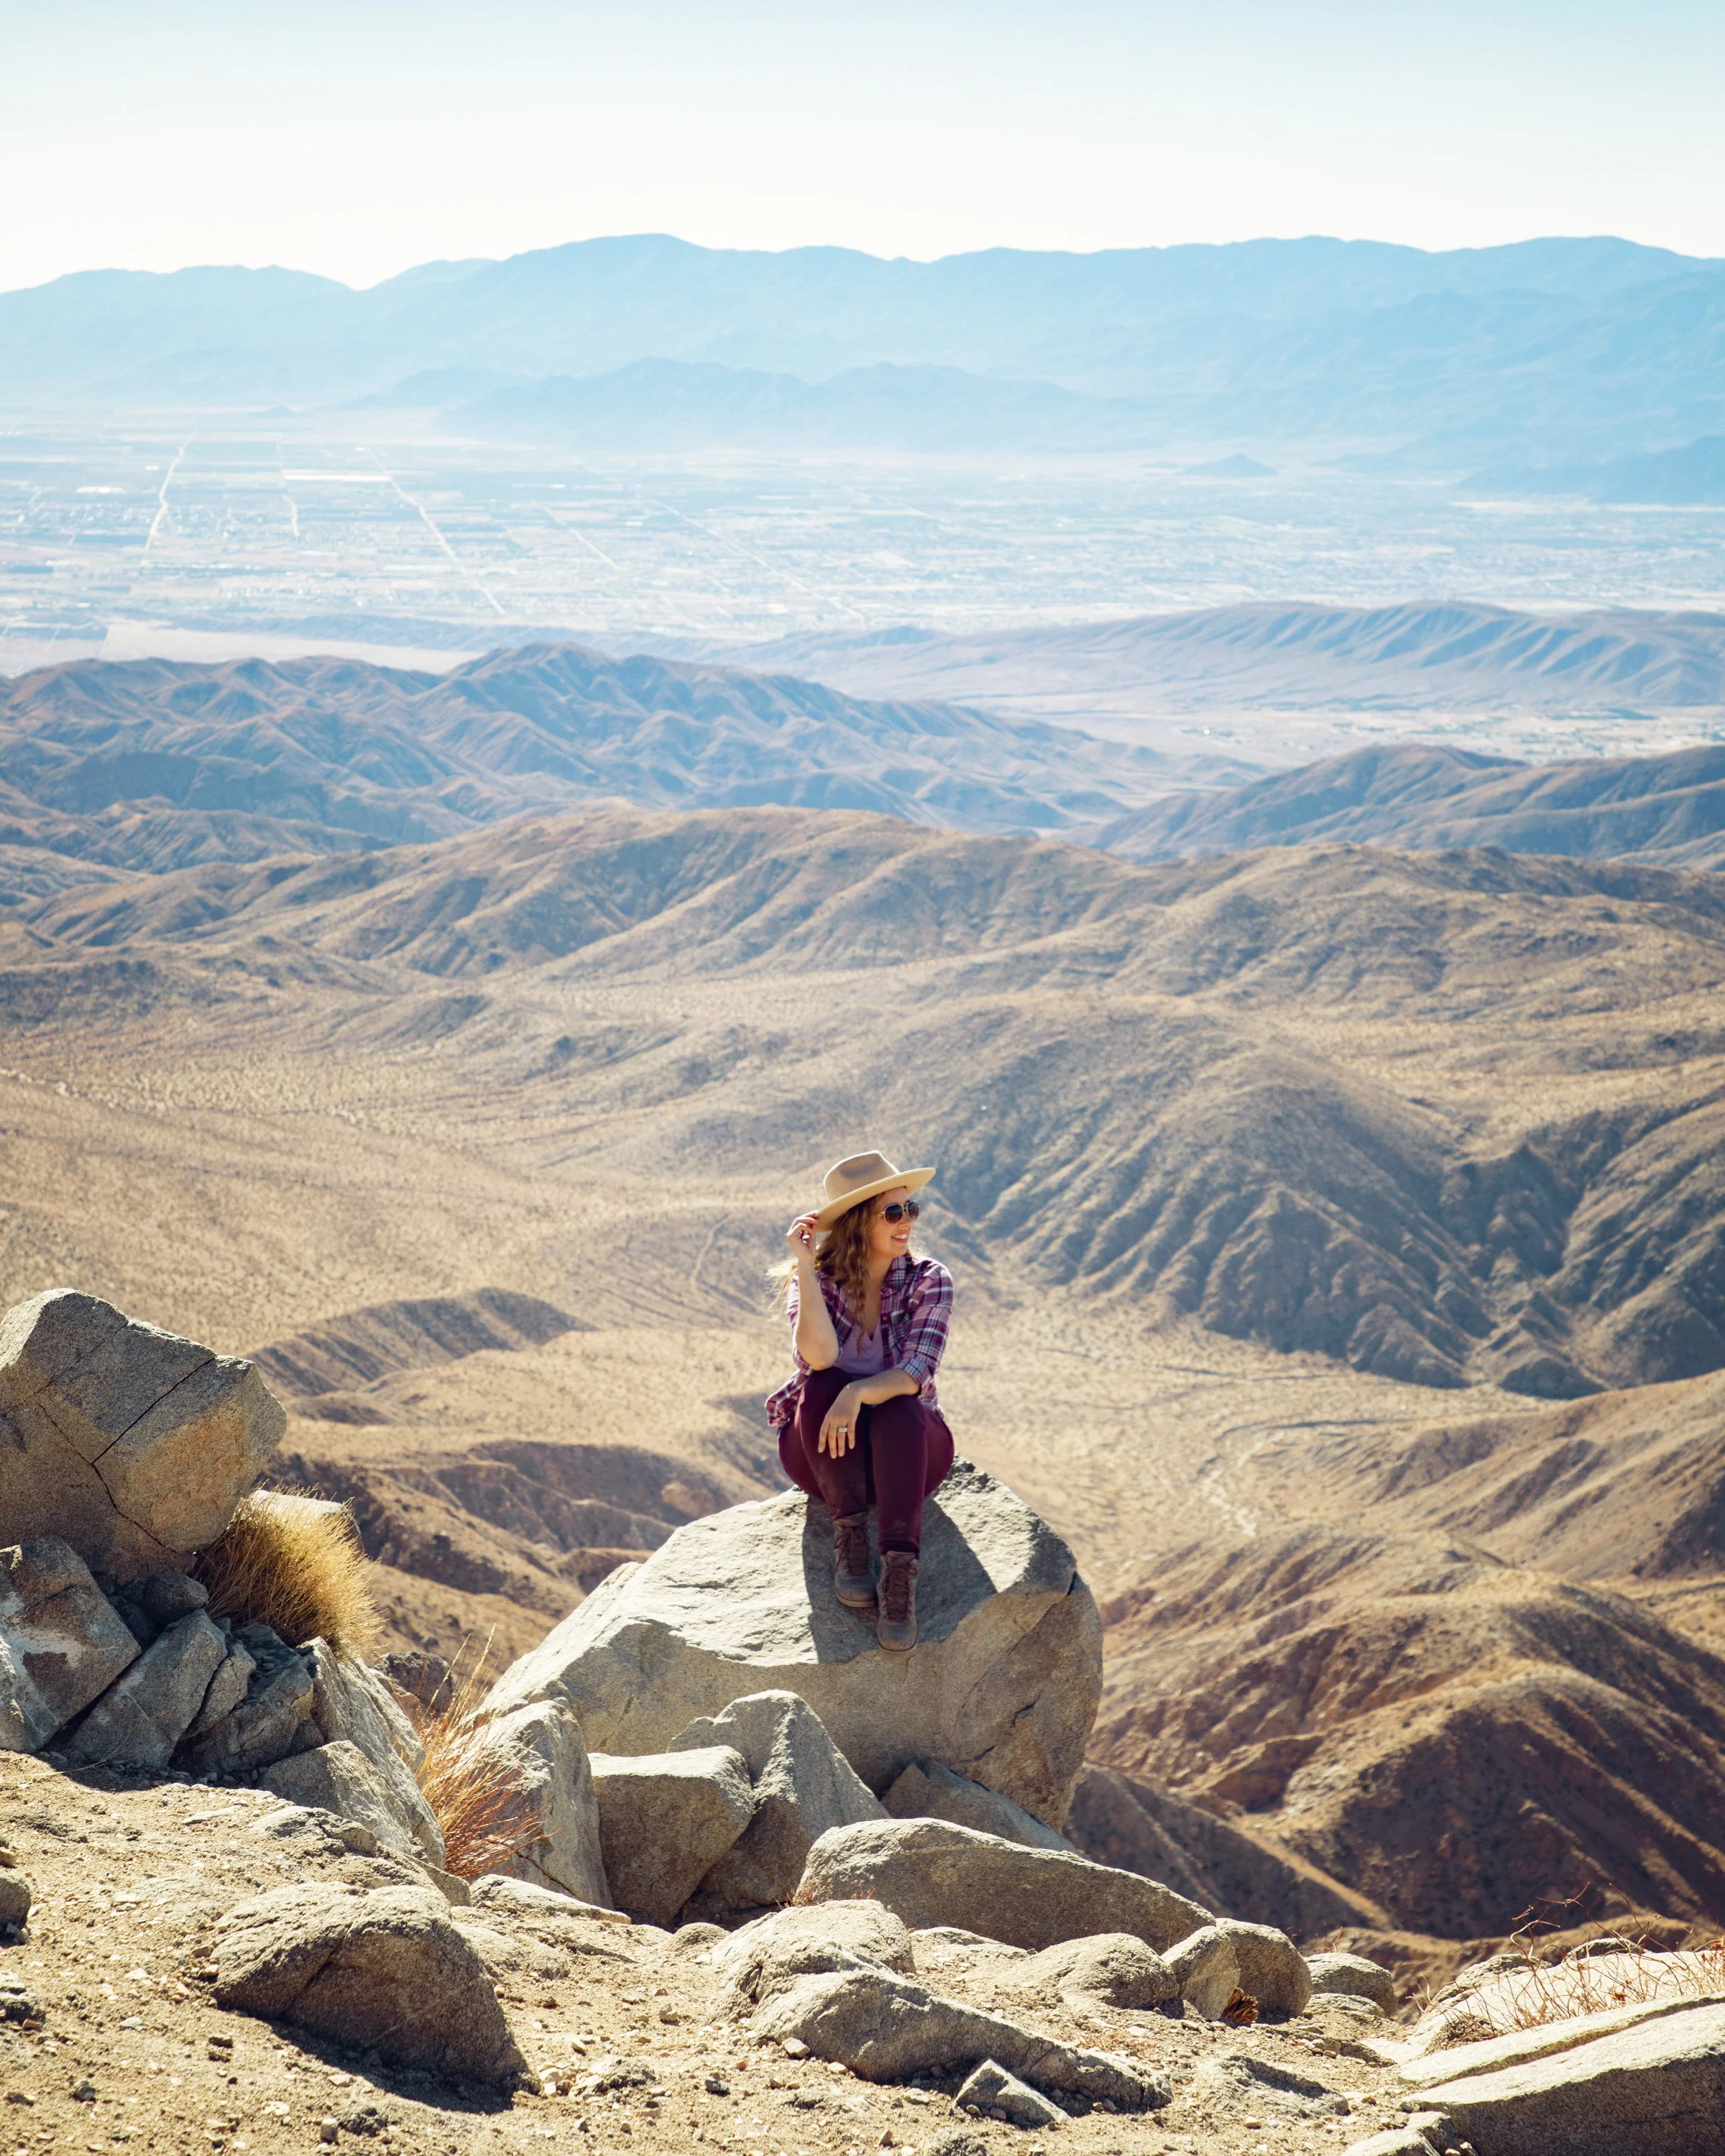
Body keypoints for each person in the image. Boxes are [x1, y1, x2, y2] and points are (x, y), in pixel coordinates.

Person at [768, 1150, 954, 1651]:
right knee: (822, 1385)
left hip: (908, 1452)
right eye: (893, 1213)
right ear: (857, 1222)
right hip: (826, 1457)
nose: (907, 1222)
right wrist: (806, 1269)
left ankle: (899, 1574)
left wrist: (860, 1392)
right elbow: (819, 1356)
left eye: (910, 1209)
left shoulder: (929, 1278)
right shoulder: (817, 1283)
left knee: (895, 1403)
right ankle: (849, 1537)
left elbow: (917, 1371)